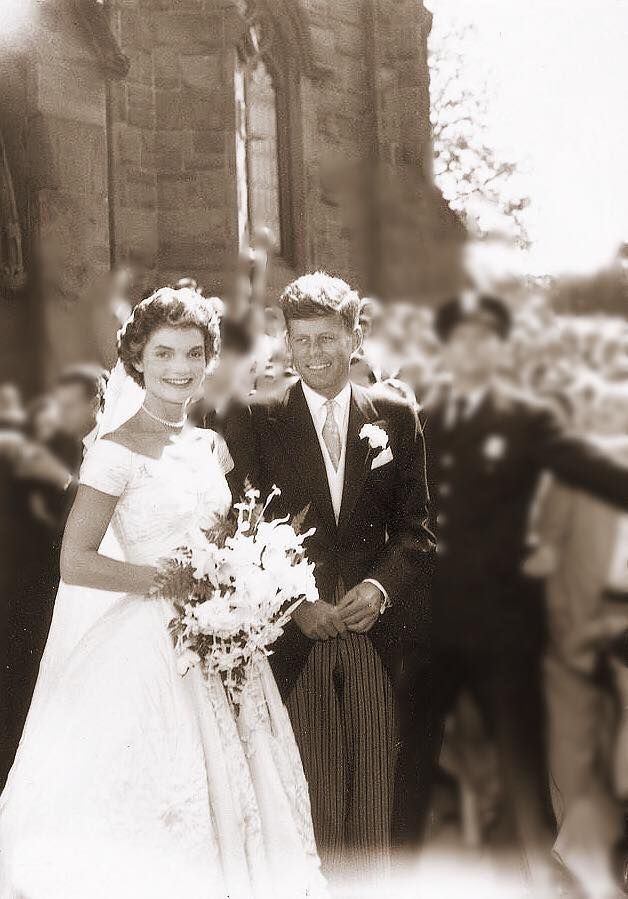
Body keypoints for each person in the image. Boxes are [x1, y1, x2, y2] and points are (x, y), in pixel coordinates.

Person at [0, 288, 326, 899]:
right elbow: (74, 561)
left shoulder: (209, 446)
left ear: (208, 362)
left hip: (224, 635)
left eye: (193, 354)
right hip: (151, 643)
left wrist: (247, 574)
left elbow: (221, 533)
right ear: (137, 361)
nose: (180, 368)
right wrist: (157, 579)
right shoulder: (114, 453)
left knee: (244, 787)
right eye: (164, 354)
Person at [223, 272, 435, 879]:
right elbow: (245, 528)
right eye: (301, 339)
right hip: (297, 638)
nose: (313, 353)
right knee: (306, 788)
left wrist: (380, 588)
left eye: (326, 338)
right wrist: (296, 603)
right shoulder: (259, 417)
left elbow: (416, 526)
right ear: (286, 342)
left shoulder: (394, 413)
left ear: (354, 337)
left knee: (374, 788)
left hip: (373, 633)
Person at [410, 293, 628, 881]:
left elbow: (597, 471)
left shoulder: (529, 419)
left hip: (505, 621)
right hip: (424, 615)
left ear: (501, 347)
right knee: (410, 758)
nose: (473, 349)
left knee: (523, 764)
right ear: (445, 346)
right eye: (462, 338)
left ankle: (544, 880)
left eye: (486, 338)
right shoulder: (412, 414)